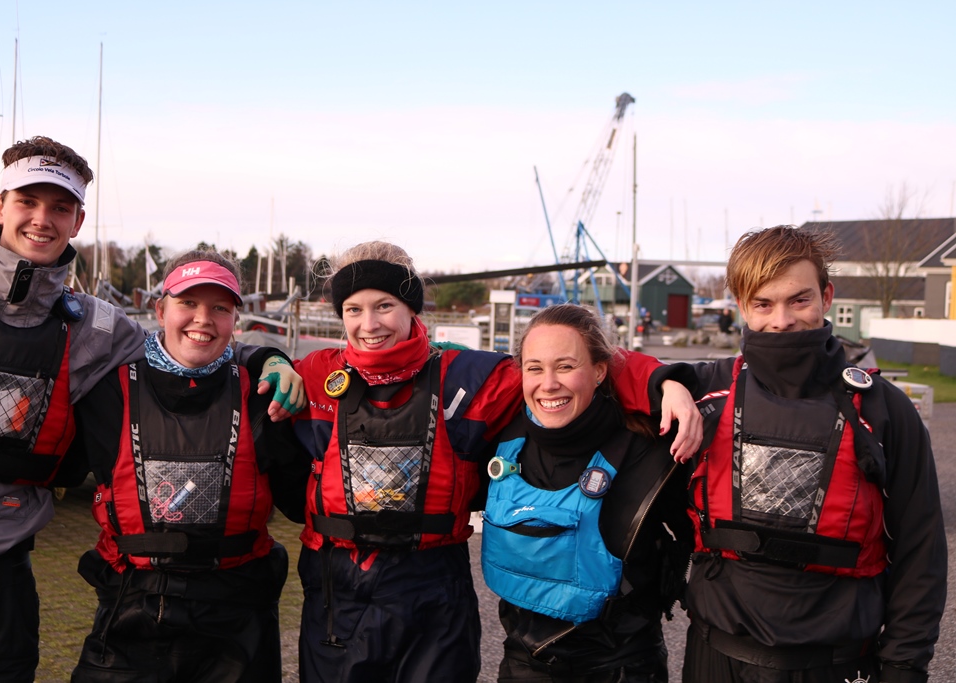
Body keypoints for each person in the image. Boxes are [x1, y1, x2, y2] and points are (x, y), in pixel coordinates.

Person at [0, 136, 301, 682]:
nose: (42, 219)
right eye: (28, 202)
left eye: (60, 206)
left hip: (1, 585)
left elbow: (186, 345)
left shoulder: (100, 328)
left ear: (78, 219)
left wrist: (267, 356)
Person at [284, 241, 703, 683]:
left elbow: (567, 363)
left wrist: (664, 382)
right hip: (337, 591)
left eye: (384, 305)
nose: (369, 324)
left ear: (411, 308)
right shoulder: (312, 375)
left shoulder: (469, 376)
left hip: (432, 589)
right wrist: (269, 359)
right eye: (353, 309)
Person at [661, 226, 946, 683]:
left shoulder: (883, 409)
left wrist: (904, 666)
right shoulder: (702, 390)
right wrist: (663, 382)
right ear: (741, 307)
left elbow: (921, 550)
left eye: (799, 300)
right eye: (763, 304)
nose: (782, 321)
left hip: (837, 663)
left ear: (827, 296)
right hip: (718, 659)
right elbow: (599, 374)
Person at [69, 250, 309, 682]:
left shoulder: (264, 395)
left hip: (237, 622)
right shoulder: (107, 391)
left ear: (235, 319)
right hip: (131, 614)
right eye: (188, 303)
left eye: (220, 307)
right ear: (160, 310)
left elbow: (299, 499)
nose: (203, 319)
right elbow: (57, 470)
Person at [481, 304, 692, 682]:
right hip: (523, 665)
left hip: (622, 666)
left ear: (598, 371)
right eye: (535, 368)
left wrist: (668, 381)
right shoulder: (498, 435)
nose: (548, 383)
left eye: (565, 366)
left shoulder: (650, 447)